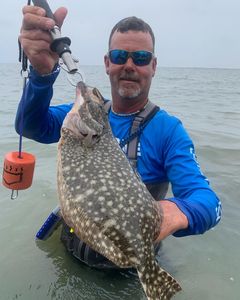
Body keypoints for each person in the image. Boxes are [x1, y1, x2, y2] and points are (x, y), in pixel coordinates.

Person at [17, 5, 221, 268]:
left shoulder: (168, 131)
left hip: (126, 270)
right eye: (119, 55)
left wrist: (171, 213)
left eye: (141, 57)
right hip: (71, 253)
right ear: (107, 63)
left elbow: (207, 201)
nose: (128, 65)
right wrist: (42, 76)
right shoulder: (85, 118)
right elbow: (29, 126)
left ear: (154, 66)